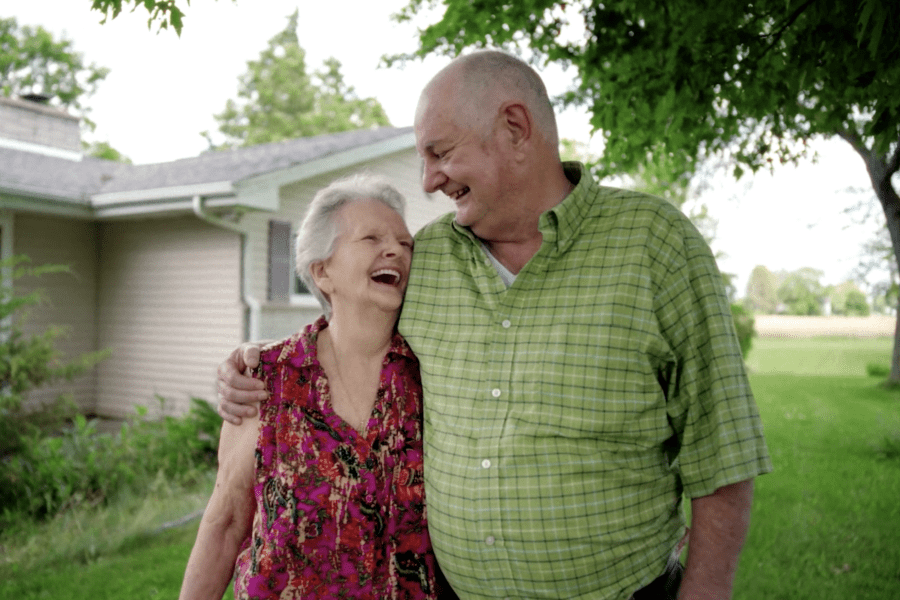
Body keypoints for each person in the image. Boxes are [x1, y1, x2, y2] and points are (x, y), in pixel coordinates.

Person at [217, 50, 772, 600]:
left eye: (440, 153)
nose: (429, 181)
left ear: (514, 127)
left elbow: (721, 452)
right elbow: (349, 326)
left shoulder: (656, 244)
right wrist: (255, 360)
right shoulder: (426, 259)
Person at [180, 174, 452, 599]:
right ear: (323, 272)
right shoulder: (267, 378)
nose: (396, 250)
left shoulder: (432, 374)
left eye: (406, 243)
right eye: (372, 237)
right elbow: (226, 522)